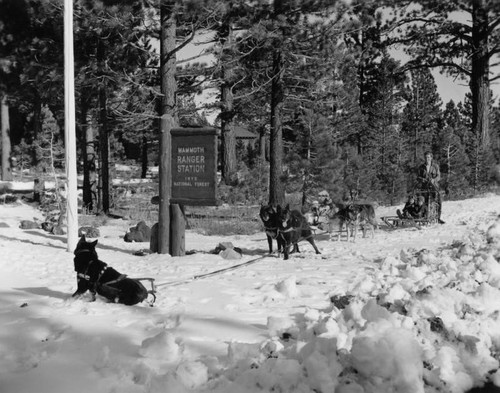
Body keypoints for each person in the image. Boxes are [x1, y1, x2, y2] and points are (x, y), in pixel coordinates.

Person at [416, 151, 445, 224]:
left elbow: (439, 176)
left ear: (431, 158)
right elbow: (418, 177)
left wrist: (434, 180)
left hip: (434, 187)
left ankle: (438, 218)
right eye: (426, 157)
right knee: (422, 201)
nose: (427, 159)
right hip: (424, 187)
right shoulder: (421, 167)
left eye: (428, 157)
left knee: (438, 201)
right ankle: (421, 216)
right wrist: (422, 179)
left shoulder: (435, 166)